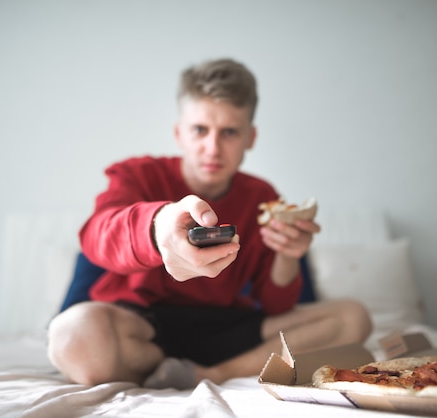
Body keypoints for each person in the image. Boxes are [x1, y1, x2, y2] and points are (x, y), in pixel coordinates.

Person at [47, 58, 372, 389]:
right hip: (141, 323)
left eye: (229, 132)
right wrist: (159, 225)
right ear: (179, 133)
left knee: (352, 317)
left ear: (251, 138)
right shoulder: (136, 175)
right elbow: (97, 235)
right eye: (200, 130)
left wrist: (288, 254)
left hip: (226, 327)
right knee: (71, 335)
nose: (212, 149)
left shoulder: (263, 196)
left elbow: (276, 306)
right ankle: (166, 367)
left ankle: (211, 375)